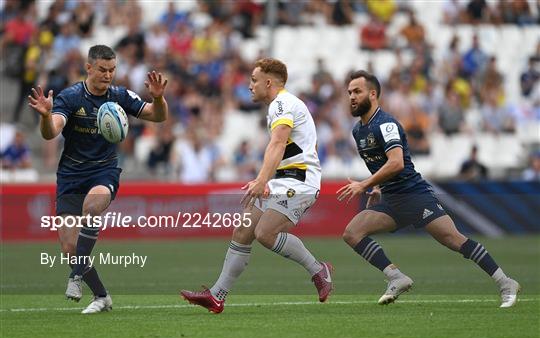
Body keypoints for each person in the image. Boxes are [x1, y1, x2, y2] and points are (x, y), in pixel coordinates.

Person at [337, 70, 519, 308]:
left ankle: (506, 282)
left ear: (372, 94)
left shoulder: (386, 124)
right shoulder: (358, 131)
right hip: (392, 200)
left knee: (455, 240)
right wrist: (378, 187)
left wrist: (364, 184)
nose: (351, 96)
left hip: (414, 196)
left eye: (357, 91)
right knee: (352, 233)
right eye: (349, 92)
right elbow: (383, 165)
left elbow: (396, 162)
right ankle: (396, 277)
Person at [180, 58, 333, 313]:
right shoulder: (281, 105)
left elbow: (278, 144)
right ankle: (217, 296)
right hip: (284, 180)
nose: (249, 85)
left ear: (268, 82)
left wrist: (262, 179)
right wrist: (267, 180)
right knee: (243, 231)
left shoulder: (282, 103)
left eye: (253, 80)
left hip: (300, 181)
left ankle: (319, 270)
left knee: (265, 233)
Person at [28, 44, 168, 314]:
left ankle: (76, 276)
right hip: (70, 175)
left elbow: (157, 116)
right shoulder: (70, 97)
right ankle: (102, 296)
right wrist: (46, 115)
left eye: (112, 70)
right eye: (102, 69)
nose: (108, 75)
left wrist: (159, 99)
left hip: (103, 171)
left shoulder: (119, 95)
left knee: (92, 206)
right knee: (69, 246)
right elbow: (50, 133)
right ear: (89, 67)